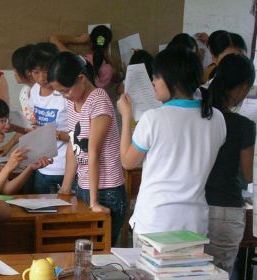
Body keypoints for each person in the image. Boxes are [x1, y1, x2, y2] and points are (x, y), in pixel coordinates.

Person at [117, 47, 226, 243]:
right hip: (194, 224)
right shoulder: (216, 118)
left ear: (172, 81)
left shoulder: (154, 119)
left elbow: (127, 161)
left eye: (157, 77)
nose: (153, 82)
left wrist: (126, 116)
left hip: (155, 222)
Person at [48, 52, 126, 246]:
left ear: (81, 79)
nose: (65, 96)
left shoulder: (99, 101)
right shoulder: (73, 101)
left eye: (65, 90)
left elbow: (93, 152)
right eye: (60, 92)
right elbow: (74, 146)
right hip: (84, 187)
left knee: (101, 253)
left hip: (106, 191)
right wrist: (66, 188)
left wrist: (94, 202)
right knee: (84, 253)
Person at [202, 54, 255, 277]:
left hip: (194, 206)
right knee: (219, 273)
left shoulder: (199, 113)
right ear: (243, 87)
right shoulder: (243, 125)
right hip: (225, 209)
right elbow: (247, 173)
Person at [25, 43, 69, 194]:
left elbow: (80, 135)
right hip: (42, 166)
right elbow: (33, 124)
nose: (42, 77)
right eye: (36, 72)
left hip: (65, 167)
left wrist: (52, 133)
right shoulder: (35, 91)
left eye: (46, 71)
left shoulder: (65, 94)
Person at [0, 44, 36, 157]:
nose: (14, 72)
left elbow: (36, 129)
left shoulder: (49, 95)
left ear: (28, 71)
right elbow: (29, 126)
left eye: (15, 67)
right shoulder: (25, 93)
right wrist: (9, 145)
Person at [50, 25, 114, 89]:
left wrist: (79, 40)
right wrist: (107, 56)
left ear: (90, 42)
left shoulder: (79, 61)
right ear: (107, 46)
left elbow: (53, 39)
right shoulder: (109, 70)